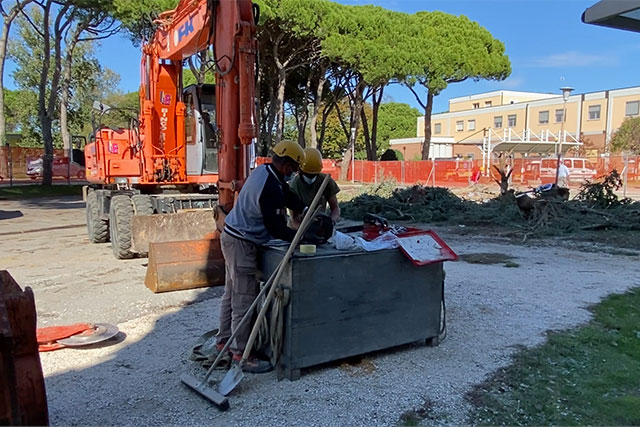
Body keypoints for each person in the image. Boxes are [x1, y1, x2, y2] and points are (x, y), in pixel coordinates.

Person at [215, 140, 307, 373]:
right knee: (245, 298)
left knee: (232, 293)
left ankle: (224, 341)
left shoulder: (264, 171)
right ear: (286, 165)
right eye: (294, 168)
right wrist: (303, 238)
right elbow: (276, 228)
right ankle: (241, 353)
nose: (294, 173)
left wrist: (303, 208)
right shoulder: (270, 188)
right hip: (242, 243)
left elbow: (287, 195)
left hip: (232, 236)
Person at [289, 147, 341, 223]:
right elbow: (294, 218)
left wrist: (331, 221)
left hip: (320, 224)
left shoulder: (326, 181)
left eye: (314, 175)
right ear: (300, 170)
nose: (311, 178)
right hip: (299, 227)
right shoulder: (294, 186)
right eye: (307, 175)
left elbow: (335, 209)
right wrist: (304, 231)